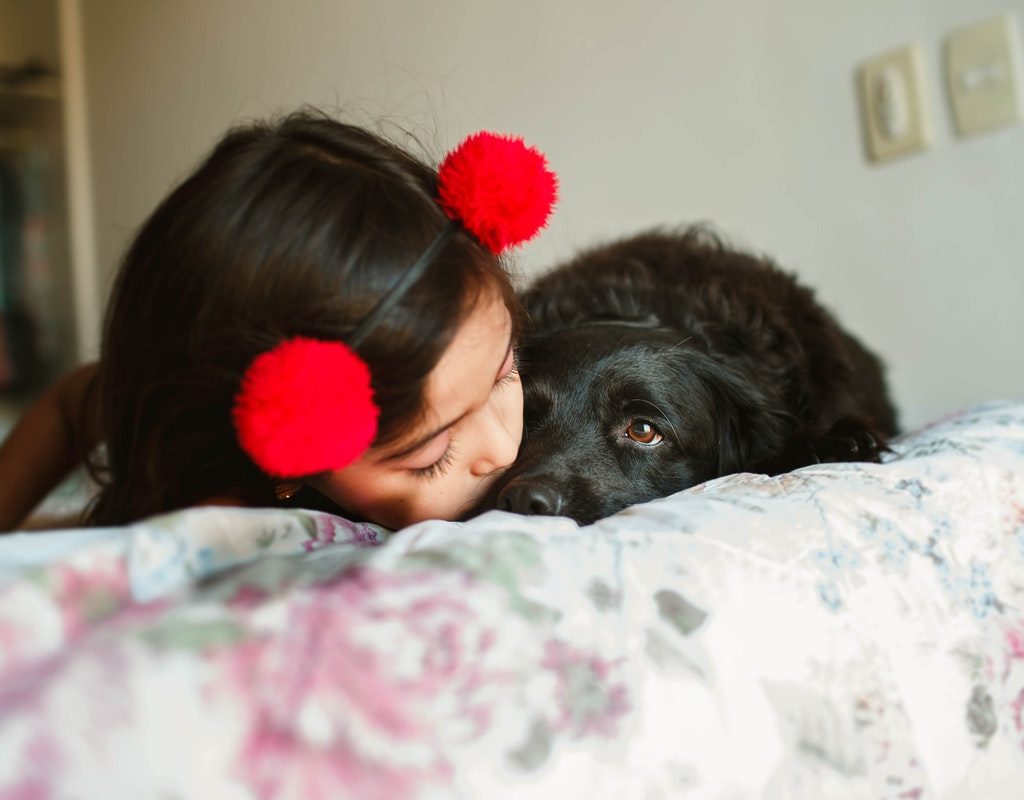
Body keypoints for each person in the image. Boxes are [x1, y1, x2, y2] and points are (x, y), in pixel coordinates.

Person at [0, 110, 557, 531]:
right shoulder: (221, 526)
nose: (504, 449)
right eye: (431, 456)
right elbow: (83, 405)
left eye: (506, 373)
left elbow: (83, 395)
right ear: (282, 448)